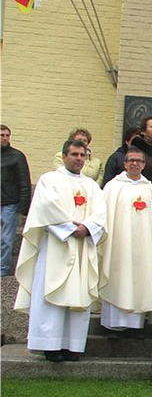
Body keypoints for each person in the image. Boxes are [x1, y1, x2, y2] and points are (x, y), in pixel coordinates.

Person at [15, 139, 107, 361]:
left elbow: (101, 212)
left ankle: (72, 346)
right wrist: (70, 228)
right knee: (52, 291)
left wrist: (87, 228)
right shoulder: (50, 180)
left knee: (79, 292)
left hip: (83, 245)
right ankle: (50, 345)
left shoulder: (92, 186)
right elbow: (47, 208)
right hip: (57, 245)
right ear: (64, 156)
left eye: (82, 155)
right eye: (74, 154)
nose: (78, 159)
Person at [100, 147, 152, 333]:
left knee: (139, 281)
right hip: (118, 245)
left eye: (139, 161)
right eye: (131, 160)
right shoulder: (113, 186)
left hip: (143, 248)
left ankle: (135, 326)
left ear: (144, 165)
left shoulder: (150, 190)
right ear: (125, 163)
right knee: (118, 279)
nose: (134, 163)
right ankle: (112, 324)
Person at [1, 125, 31, 277]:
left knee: (6, 240)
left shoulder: (16, 156)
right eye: (2, 135)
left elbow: (24, 181)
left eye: (7, 135)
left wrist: (23, 206)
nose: (5, 138)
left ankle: (3, 271)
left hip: (9, 204)